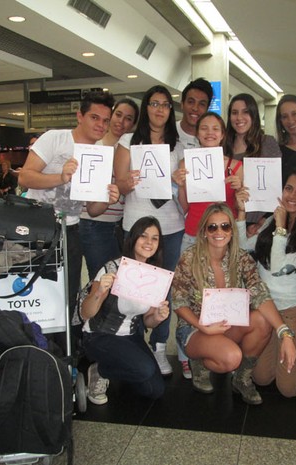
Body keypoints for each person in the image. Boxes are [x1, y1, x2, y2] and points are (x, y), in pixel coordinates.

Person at [172, 203, 296, 405]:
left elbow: (260, 294)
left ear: (232, 230)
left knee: (262, 321)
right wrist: (202, 326)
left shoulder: (241, 258)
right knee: (231, 358)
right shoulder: (189, 258)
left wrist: (284, 332)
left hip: (229, 324)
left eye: (225, 226)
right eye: (212, 227)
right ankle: (199, 364)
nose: (219, 232)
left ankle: (241, 378)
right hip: (195, 328)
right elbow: (178, 301)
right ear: (204, 231)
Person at [19, 90, 121, 321]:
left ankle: (65, 350)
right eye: (95, 117)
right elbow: (24, 177)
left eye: (105, 120)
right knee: (34, 290)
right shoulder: (55, 138)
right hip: (37, 227)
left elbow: (93, 210)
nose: (101, 125)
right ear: (80, 116)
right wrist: (61, 177)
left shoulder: (100, 154)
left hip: (71, 230)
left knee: (68, 293)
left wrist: (107, 198)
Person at [114, 85, 185, 376]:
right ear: (146, 108)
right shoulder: (129, 141)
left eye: (166, 105)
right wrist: (127, 183)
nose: (160, 109)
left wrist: (179, 180)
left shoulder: (178, 146)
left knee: (162, 292)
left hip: (170, 226)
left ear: (170, 111)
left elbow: (184, 190)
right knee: (132, 289)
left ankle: (158, 346)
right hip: (137, 224)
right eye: (154, 104)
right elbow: (118, 186)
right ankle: (129, 343)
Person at [236, 168, 296, 400]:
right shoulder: (274, 218)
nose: (292, 195)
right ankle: (283, 348)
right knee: (262, 378)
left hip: (292, 311)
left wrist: (281, 227)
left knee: (288, 390)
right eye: (288, 188)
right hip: (265, 309)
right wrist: (242, 212)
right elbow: (244, 245)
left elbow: (277, 267)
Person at [175, 111, 243, 379]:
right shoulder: (186, 163)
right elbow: (185, 205)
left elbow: (240, 210)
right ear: (197, 133)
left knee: (223, 296)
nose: (210, 133)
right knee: (187, 298)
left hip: (222, 239)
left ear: (223, 134)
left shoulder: (235, 166)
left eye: (216, 128)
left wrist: (240, 190)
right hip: (193, 234)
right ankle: (185, 355)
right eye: (204, 128)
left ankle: (216, 344)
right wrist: (181, 184)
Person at [80, 216, 168, 405]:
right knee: (144, 369)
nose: (149, 242)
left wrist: (158, 317)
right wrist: (100, 291)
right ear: (133, 239)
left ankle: (119, 365)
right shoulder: (112, 268)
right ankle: (100, 371)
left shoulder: (155, 275)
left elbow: (147, 321)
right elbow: (86, 313)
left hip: (130, 336)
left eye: (155, 238)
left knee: (155, 390)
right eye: (143, 236)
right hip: (100, 335)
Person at [79, 98, 139, 280]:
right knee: (100, 280)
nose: (121, 122)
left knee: (119, 281)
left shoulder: (132, 149)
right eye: (118, 115)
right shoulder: (94, 146)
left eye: (128, 118)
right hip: (93, 222)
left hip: (119, 223)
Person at [225, 93, 281, 224]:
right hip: (230, 220)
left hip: (259, 221)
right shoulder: (223, 146)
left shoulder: (267, 143)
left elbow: (276, 186)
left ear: (254, 115)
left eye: (245, 112)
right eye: (234, 112)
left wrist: (263, 220)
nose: (239, 118)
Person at [177, 78, 213, 149]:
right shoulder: (168, 131)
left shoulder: (211, 139)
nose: (195, 108)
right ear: (182, 104)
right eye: (191, 102)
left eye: (202, 104)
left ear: (207, 109)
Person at [275, 94, 296, 170]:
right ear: (280, 121)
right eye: (285, 117)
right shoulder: (277, 153)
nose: (290, 121)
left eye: (294, 114)